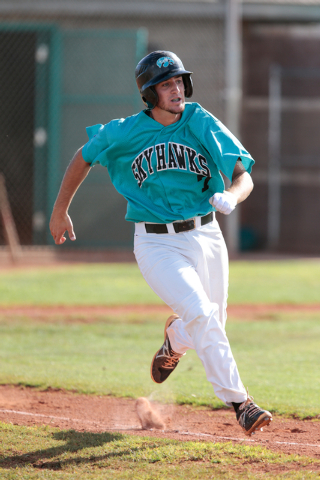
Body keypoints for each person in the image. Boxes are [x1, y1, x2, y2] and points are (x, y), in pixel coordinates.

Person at [49, 50, 272, 436]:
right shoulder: (124, 132)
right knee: (202, 314)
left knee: (209, 323)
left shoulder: (200, 121)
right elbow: (83, 158)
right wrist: (59, 210)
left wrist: (232, 196)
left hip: (206, 234)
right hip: (157, 244)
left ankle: (175, 339)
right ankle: (241, 404)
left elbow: (243, 174)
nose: (176, 89)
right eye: (166, 84)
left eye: (179, 81)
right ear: (149, 93)